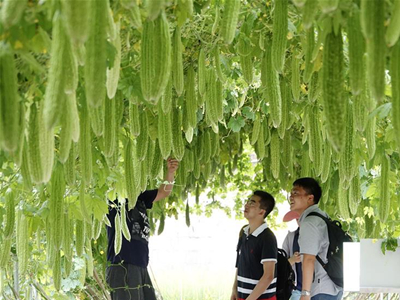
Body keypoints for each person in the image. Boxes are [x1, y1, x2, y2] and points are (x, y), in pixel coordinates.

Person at [106, 157, 179, 300]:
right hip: (123, 266)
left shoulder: (141, 197)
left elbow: (164, 192)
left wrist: (170, 172)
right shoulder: (113, 198)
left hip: (140, 266)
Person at [289, 177, 343, 300]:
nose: (291, 197)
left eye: (296, 193)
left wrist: (305, 294)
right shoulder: (322, 216)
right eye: (291, 193)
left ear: (310, 198)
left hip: (320, 290)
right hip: (332, 286)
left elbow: (309, 259)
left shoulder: (310, 223)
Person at [231, 190, 278, 300]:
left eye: (252, 203)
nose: (246, 205)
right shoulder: (244, 232)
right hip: (242, 296)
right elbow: (240, 265)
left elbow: (268, 276)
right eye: (247, 201)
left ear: (262, 212)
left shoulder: (267, 237)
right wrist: (234, 289)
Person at [282, 211, 302, 300]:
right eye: (297, 219)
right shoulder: (291, 237)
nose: (299, 221)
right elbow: (281, 265)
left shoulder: (318, 235)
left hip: (316, 290)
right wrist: (292, 260)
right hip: (296, 290)